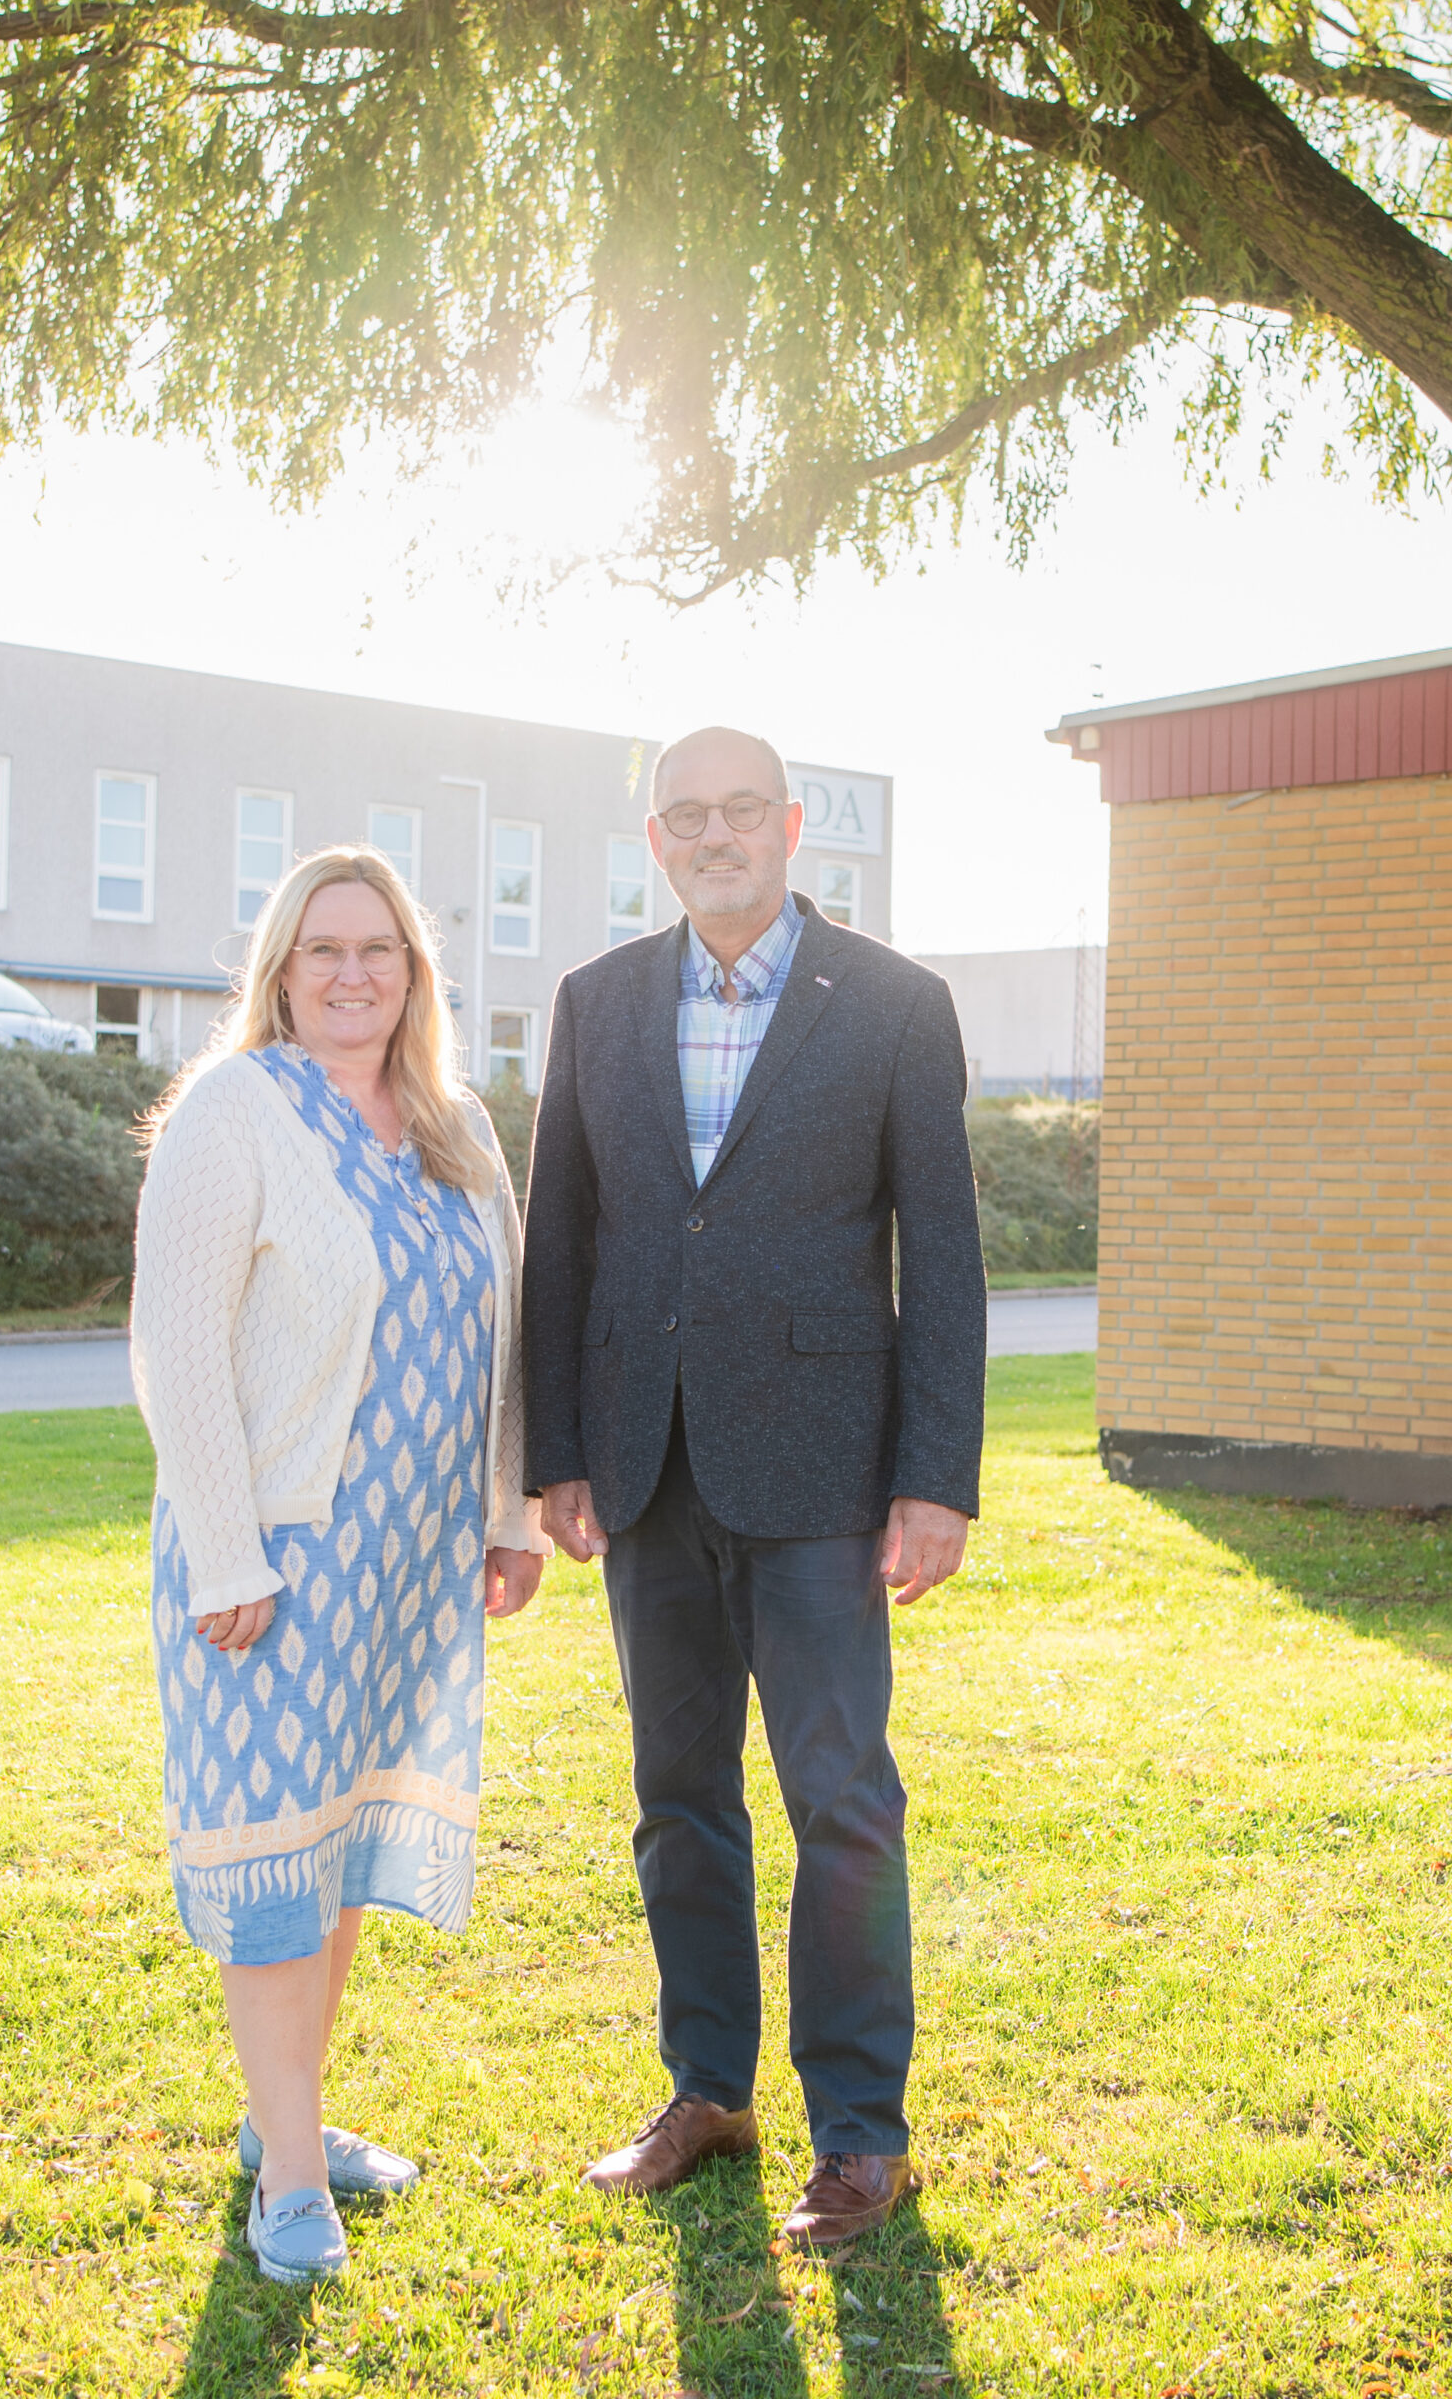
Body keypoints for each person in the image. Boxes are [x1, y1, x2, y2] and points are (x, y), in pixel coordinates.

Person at [522, 726, 986, 2250]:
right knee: (679, 1800)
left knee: (842, 1801)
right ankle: (706, 2089)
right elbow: (563, 1243)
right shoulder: (594, 1004)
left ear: (792, 827)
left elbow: (948, 1258)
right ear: (655, 840)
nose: (714, 836)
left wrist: (934, 1479)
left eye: (740, 812)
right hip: (645, 1466)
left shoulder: (900, 1008)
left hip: (826, 1477)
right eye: (685, 817)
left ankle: (862, 2133)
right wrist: (560, 1453)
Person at [131, 845, 545, 2286]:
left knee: (344, 1840)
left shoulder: (457, 1129)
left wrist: (510, 1513)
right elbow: (174, 1345)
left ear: (415, 974)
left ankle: (280, 2120)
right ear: (284, 974)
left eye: (380, 950)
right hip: (275, 1558)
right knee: (271, 1861)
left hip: (412, 1561)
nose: (354, 973)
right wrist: (228, 1549)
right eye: (325, 951)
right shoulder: (235, 1111)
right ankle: (291, 2179)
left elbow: (507, 1334)